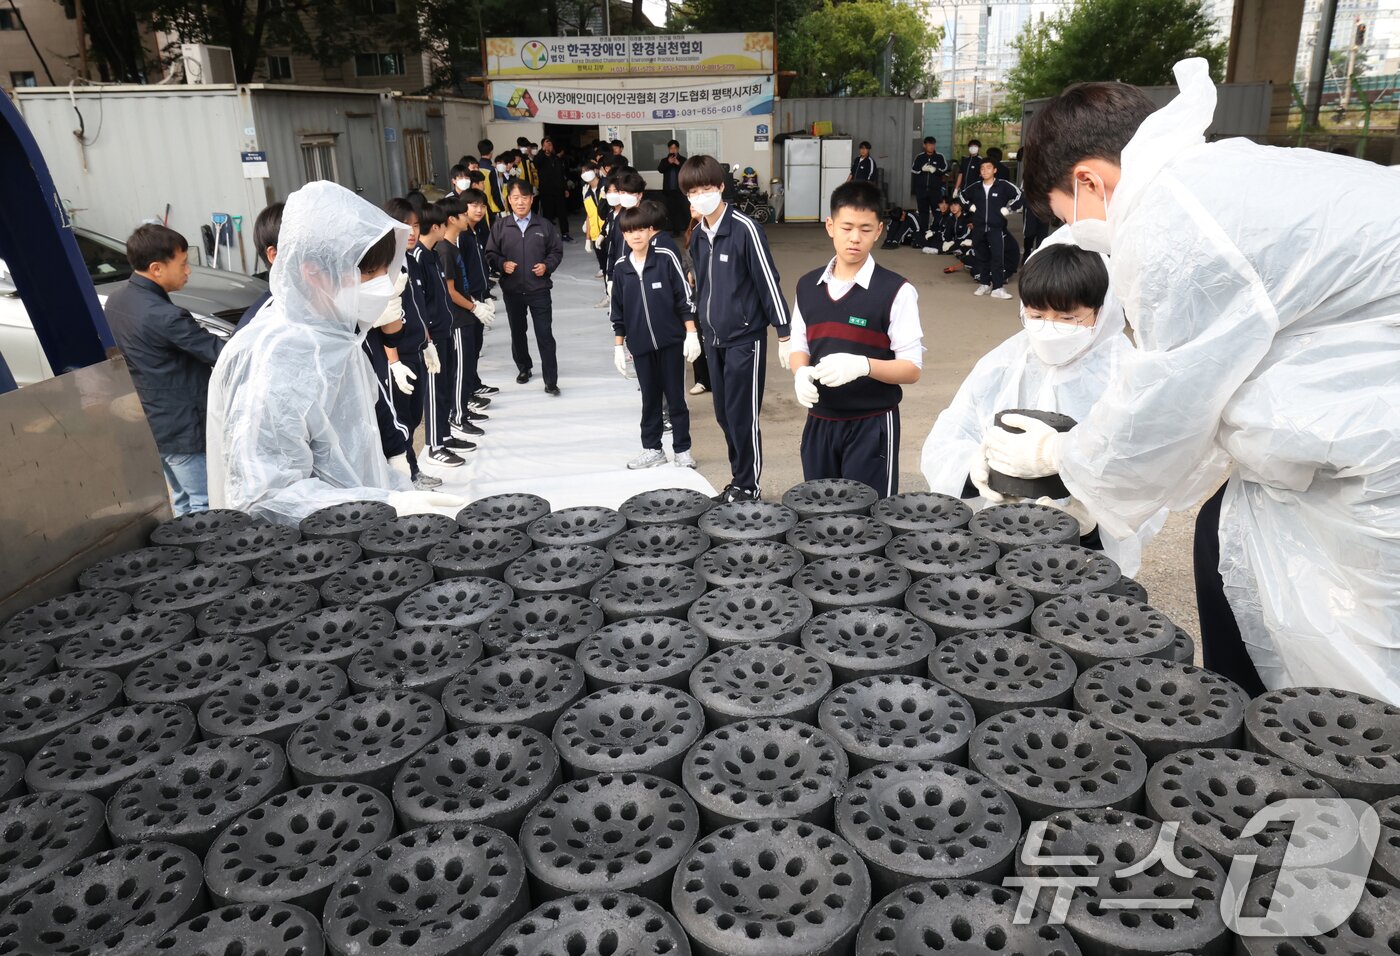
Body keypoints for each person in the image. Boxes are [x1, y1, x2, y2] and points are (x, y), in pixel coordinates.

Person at [985, 56, 1400, 702]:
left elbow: (1167, 409)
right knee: (1223, 540)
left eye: (1068, 217)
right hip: (1364, 418)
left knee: (1335, 652)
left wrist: (1062, 458)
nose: (1077, 235)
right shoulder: (1224, 173)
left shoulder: (1169, 220)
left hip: (1374, 456)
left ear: (1090, 180)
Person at [206, 180, 463, 522]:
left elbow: (356, 449)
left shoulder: (337, 335)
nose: (381, 284)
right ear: (313, 273)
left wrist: (394, 487)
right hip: (308, 545)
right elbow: (265, 497)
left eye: (383, 270)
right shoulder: (274, 356)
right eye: (368, 272)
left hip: (355, 528)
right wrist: (381, 505)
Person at [923, 236, 1161, 574]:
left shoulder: (1127, 377)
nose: (1049, 328)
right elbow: (950, 437)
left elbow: (1148, 478)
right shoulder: (1004, 363)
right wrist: (974, 470)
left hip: (1083, 555)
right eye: (1036, 315)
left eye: (1068, 318)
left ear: (1101, 311)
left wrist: (1093, 523)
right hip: (1000, 531)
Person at [788, 181, 922, 496]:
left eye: (865, 229)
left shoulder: (896, 291)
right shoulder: (807, 286)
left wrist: (864, 365)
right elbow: (799, 345)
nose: (854, 238)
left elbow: (912, 368)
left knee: (869, 514)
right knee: (819, 511)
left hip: (872, 425)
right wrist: (800, 372)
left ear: (879, 231)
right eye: (847, 227)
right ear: (830, 226)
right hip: (819, 422)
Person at [681, 154, 790, 502]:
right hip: (714, 339)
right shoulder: (699, 236)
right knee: (724, 415)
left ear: (720, 187)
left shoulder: (745, 229)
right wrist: (694, 329)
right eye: (693, 192)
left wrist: (784, 332)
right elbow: (701, 286)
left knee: (743, 416)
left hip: (745, 338)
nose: (700, 197)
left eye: (706, 189)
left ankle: (749, 488)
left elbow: (768, 281)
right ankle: (738, 481)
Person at [104, 224, 225, 516]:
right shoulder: (166, 316)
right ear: (156, 268)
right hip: (184, 428)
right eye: (182, 264)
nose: (188, 271)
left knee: (181, 500)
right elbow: (219, 352)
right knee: (205, 505)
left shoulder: (117, 300)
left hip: (154, 422)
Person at [610, 200, 700, 470]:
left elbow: (683, 298)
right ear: (624, 235)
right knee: (649, 400)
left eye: (641, 229)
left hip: (670, 342)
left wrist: (691, 333)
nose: (636, 235)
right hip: (640, 346)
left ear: (650, 231)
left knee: (676, 398)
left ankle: (682, 450)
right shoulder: (621, 268)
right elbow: (618, 310)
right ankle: (652, 449)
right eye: (630, 231)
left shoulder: (665, 259)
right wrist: (618, 346)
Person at [381, 198, 440, 490]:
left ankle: (413, 470)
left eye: (415, 225)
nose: (412, 232)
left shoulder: (411, 263)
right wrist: (393, 362)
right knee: (399, 421)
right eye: (405, 226)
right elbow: (383, 319)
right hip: (399, 357)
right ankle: (404, 477)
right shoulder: (384, 268)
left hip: (416, 351)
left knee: (415, 416)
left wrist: (427, 342)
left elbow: (419, 308)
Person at [486, 179, 564, 395]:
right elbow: (490, 253)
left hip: (539, 289)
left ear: (532, 199)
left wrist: (546, 266)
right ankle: (524, 367)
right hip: (512, 290)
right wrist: (502, 264)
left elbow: (556, 251)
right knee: (518, 332)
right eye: (515, 198)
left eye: (524, 197)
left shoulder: (544, 225)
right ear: (509, 201)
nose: (520, 202)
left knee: (544, 334)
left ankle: (551, 380)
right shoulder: (500, 226)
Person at [414, 201, 464, 468]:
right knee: (434, 390)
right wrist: (426, 339)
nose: (447, 228)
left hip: (444, 330)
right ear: (436, 227)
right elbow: (419, 302)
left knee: (444, 386)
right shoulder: (419, 257)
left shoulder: (432, 254)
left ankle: (444, 435)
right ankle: (434, 445)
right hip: (431, 335)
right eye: (444, 224)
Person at [452, 188, 496, 428]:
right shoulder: (460, 236)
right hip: (467, 300)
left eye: (482, 206)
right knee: (466, 349)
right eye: (473, 205)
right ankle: (465, 395)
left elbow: (480, 266)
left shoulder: (475, 231)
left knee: (476, 344)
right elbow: (461, 272)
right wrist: (472, 301)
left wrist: (486, 293)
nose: (479, 210)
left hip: (478, 295)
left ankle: (473, 383)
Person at [960, 157, 1023, 299]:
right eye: (982, 168)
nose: (985, 171)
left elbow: (1020, 195)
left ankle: (998, 288)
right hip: (979, 227)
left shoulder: (1003, 185)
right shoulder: (976, 186)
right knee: (981, 257)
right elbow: (962, 196)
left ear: (994, 170)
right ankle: (984, 284)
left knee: (997, 258)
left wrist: (1010, 209)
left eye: (988, 168)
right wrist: (970, 206)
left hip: (996, 228)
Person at [534, 137, 572, 241]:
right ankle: (548, 235)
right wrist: (543, 150)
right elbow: (536, 163)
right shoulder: (539, 158)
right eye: (546, 145)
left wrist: (565, 188)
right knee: (548, 214)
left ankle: (565, 233)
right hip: (546, 191)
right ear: (542, 146)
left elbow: (561, 175)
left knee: (562, 213)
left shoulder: (556, 158)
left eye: (550, 145)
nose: (548, 147)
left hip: (559, 190)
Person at [909, 136, 947, 239]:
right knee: (923, 213)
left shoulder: (939, 157)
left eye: (933, 145)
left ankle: (937, 232)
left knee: (937, 212)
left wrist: (935, 170)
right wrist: (922, 169)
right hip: (921, 190)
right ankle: (923, 234)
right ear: (924, 145)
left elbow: (945, 169)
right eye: (929, 144)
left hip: (935, 191)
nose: (931, 147)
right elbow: (913, 170)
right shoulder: (919, 157)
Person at [580, 162, 606, 276]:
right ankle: (603, 269)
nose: (584, 173)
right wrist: (588, 238)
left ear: (595, 171)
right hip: (595, 231)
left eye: (587, 170)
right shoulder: (586, 191)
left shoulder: (605, 186)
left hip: (607, 230)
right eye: (582, 172)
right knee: (601, 257)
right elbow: (589, 215)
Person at [657, 139, 688, 234]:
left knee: (684, 210)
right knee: (671, 211)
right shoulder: (664, 160)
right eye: (671, 148)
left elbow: (687, 171)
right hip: (669, 191)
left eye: (675, 148)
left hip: (681, 190)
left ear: (678, 149)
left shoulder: (683, 160)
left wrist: (678, 164)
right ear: (668, 149)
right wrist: (668, 162)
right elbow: (660, 169)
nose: (673, 150)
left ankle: (689, 230)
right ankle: (676, 231)